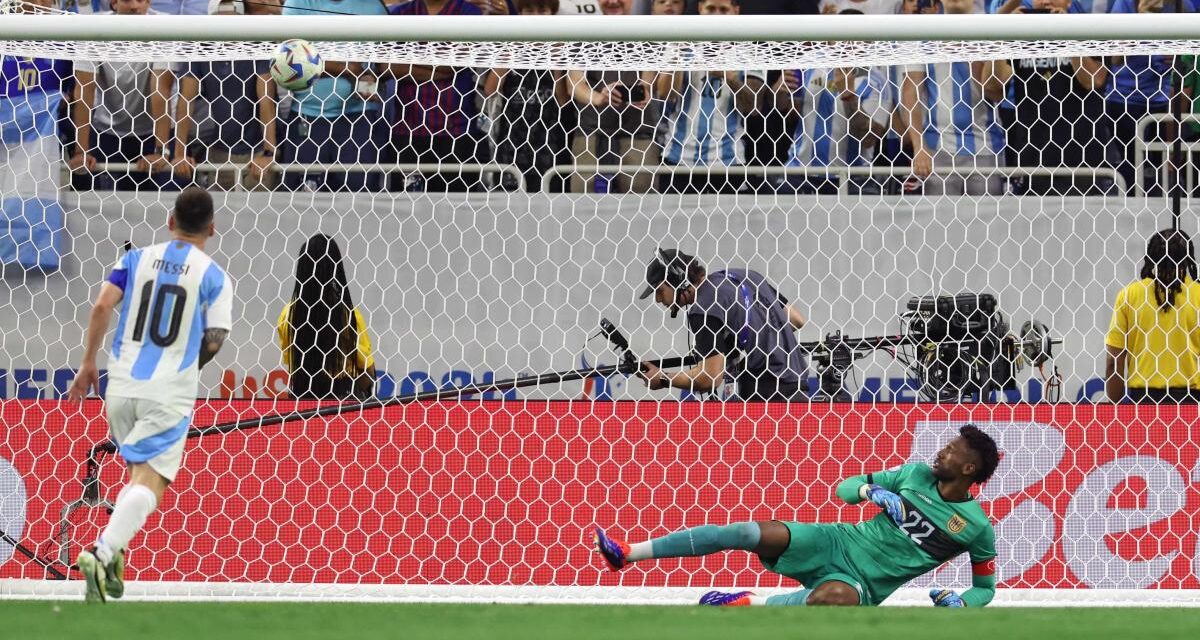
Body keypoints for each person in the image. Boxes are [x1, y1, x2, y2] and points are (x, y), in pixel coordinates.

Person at [594, 425, 1000, 608]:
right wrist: (869, 490)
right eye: (946, 444)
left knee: (833, 599)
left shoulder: (977, 528)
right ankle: (627, 553)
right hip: (835, 541)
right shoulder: (914, 474)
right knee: (747, 530)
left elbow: (985, 588)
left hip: (861, 583)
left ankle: (750, 603)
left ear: (969, 470)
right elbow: (844, 488)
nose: (942, 451)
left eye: (953, 449)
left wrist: (963, 604)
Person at [66, 187, 233, 604]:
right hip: (167, 390)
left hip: (120, 386)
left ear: (170, 221)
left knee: (136, 474)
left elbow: (103, 305)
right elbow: (215, 337)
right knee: (150, 483)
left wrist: (89, 362)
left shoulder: (134, 258)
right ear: (211, 229)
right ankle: (102, 553)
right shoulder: (213, 275)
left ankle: (114, 556)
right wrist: (187, 367)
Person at [636, 249, 808, 402]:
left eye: (659, 291)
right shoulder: (746, 275)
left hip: (766, 396)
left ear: (678, 280)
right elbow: (796, 320)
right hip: (798, 387)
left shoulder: (703, 308)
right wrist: (740, 340)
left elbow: (710, 378)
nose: (658, 299)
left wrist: (664, 379)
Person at [900, 0, 1011, 196]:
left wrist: (968, 50)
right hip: (937, 149)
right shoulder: (921, 33)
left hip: (986, 147)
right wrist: (919, 146)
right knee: (940, 222)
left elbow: (996, 93)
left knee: (987, 223)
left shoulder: (990, 31)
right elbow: (910, 92)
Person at [999, 0, 1110, 195]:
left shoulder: (1091, 29)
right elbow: (993, 88)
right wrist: (1005, 38)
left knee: (1081, 225)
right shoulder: (1024, 36)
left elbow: (1093, 81)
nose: (1045, 1)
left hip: (1081, 160)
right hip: (1032, 160)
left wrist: (1069, 35)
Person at [68, 0, 181, 191]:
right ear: (114, 2)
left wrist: (161, 150)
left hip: (151, 133)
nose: (135, 7)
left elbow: (161, 89)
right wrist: (81, 151)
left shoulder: (165, 27)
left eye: (141, 0)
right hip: (106, 130)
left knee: (155, 203)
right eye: (128, 0)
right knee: (88, 192)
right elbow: (84, 90)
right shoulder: (92, 28)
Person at [657, 0, 766, 194]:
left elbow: (754, 106)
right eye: (710, 9)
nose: (716, 15)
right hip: (678, 158)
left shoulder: (750, 51)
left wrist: (729, 77)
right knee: (675, 224)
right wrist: (678, 58)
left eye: (723, 10)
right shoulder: (680, 42)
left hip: (727, 160)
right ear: (700, 9)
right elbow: (666, 94)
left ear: (736, 11)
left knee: (727, 224)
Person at [281, 0, 389, 193]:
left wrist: (372, 84)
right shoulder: (297, 3)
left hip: (359, 117)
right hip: (308, 116)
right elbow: (289, 61)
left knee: (359, 197)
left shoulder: (374, 7)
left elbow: (379, 67)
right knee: (304, 200)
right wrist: (347, 68)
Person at [566, 0, 659, 193]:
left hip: (638, 134)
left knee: (641, 211)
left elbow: (648, 81)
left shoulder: (647, 32)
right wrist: (599, 98)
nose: (613, 1)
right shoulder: (582, 33)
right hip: (591, 134)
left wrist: (644, 92)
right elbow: (574, 85)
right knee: (583, 210)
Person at [1104, 0, 1195, 195]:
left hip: (1164, 101)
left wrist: (1178, 54)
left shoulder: (1183, 6)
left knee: (1159, 174)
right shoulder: (1124, 6)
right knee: (1129, 172)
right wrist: (1142, 19)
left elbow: (1189, 55)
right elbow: (1114, 58)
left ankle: (1157, 219)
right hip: (1123, 99)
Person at [484, 0, 571, 192]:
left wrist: (556, 58)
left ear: (553, 13)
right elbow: (491, 90)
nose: (536, 15)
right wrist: (510, 51)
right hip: (511, 147)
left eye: (542, 9)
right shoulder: (512, 47)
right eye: (529, 10)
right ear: (520, 13)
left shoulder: (561, 48)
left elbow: (563, 101)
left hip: (550, 146)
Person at [1104, 229, 1200, 403]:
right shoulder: (1198, 295)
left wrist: (1115, 405)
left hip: (1144, 401)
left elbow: (1113, 360)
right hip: (1190, 402)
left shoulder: (1129, 295)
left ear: (1151, 257)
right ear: (1187, 259)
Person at [276, 234, 377, 400]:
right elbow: (367, 371)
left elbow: (291, 366)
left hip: (303, 400)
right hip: (343, 399)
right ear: (335, 268)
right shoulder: (348, 314)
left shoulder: (287, 314)